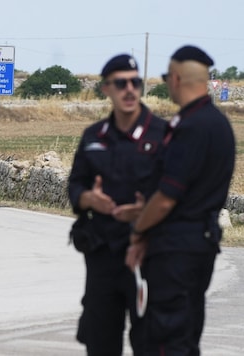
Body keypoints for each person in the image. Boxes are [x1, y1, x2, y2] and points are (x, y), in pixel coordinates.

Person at [125, 45, 236, 355]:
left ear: (175, 78)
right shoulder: (216, 123)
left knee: (167, 340)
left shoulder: (192, 127)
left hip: (177, 250)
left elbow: (166, 198)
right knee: (181, 337)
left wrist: (138, 232)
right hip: (194, 244)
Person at [67, 54, 168, 355]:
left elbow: (178, 192)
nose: (129, 89)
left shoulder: (163, 135)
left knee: (151, 343)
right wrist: (88, 199)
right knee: (100, 343)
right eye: (121, 83)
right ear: (106, 89)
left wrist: (146, 211)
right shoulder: (93, 137)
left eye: (135, 82)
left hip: (149, 258)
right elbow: (75, 185)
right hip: (103, 257)